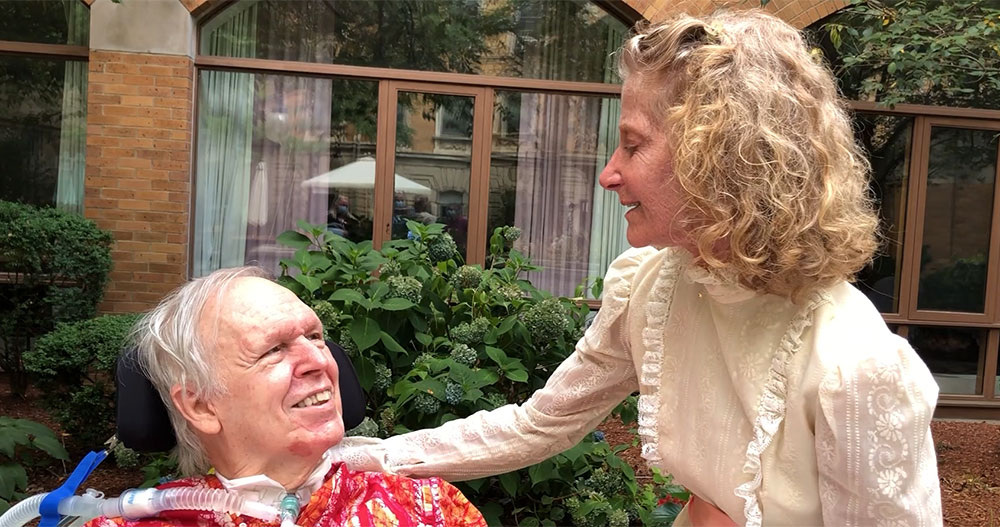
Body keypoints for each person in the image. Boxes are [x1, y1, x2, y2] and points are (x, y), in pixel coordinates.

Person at [330, 10, 942, 527]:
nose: (608, 173)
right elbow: (541, 425)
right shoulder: (654, 282)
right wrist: (359, 460)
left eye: (633, 143)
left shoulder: (857, 368)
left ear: (721, 159)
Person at [86, 267, 486, 527]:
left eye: (314, 336)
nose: (320, 360)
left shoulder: (430, 508)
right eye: (274, 349)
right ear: (201, 405)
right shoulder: (138, 523)